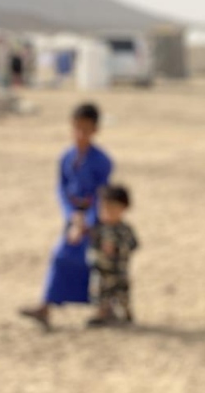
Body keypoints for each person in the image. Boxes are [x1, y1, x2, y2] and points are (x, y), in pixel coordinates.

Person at [20, 103, 113, 329]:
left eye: (85, 129)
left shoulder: (103, 161)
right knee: (61, 257)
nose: (80, 134)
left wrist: (87, 221)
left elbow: (102, 195)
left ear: (95, 130)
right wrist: (72, 217)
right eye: (76, 128)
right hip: (73, 219)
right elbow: (61, 190)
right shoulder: (66, 158)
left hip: (94, 221)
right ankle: (47, 306)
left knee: (98, 264)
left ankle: (104, 309)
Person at [86, 184, 139, 327]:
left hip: (119, 270)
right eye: (104, 209)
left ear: (123, 209)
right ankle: (102, 313)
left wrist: (116, 249)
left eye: (112, 209)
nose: (107, 213)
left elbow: (133, 245)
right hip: (101, 270)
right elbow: (92, 246)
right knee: (100, 293)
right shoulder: (99, 229)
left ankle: (126, 313)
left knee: (122, 293)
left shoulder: (125, 229)